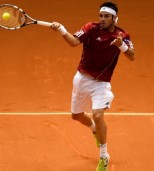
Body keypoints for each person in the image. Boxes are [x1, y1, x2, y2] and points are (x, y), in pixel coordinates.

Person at [50, 2, 135, 171]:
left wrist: (121, 45)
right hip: (82, 79)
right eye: (101, 16)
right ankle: (94, 129)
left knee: (97, 114)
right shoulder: (90, 28)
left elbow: (131, 56)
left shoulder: (122, 35)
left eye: (106, 16)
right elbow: (74, 42)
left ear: (115, 18)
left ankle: (104, 155)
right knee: (76, 116)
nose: (102, 19)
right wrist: (61, 30)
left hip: (101, 83)